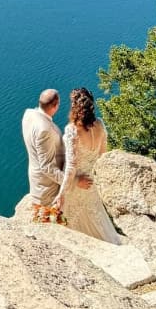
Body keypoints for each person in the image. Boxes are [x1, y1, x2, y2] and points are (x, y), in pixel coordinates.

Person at [59, 87, 121, 242]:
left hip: (77, 186)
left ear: (74, 107)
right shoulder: (99, 125)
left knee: (72, 222)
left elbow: (71, 167)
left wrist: (61, 194)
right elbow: (102, 155)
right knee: (97, 218)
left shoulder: (72, 130)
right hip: (91, 183)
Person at [21, 88, 66, 222]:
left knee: (44, 218)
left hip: (36, 177)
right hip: (47, 186)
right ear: (55, 105)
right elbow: (47, 167)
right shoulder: (44, 130)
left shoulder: (29, 114)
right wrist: (69, 181)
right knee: (52, 221)